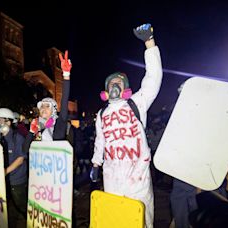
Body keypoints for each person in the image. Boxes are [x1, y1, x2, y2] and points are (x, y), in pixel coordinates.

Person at [90, 23, 162, 228]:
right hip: (112, 176)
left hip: (137, 175)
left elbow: (153, 78)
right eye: (111, 83)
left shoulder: (137, 102)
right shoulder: (102, 114)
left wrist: (149, 43)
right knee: (116, 218)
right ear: (106, 89)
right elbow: (100, 141)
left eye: (119, 83)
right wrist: (96, 164)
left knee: (141, 217)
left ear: (126, 88)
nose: (115, 85)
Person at [23, 50, 71, 145]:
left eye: (47, 106)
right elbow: (24, 150)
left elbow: (64, 99)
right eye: (42, 106)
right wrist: (31, 132)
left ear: (53, 110)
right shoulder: (37, 125)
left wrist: (66, 75)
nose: (43, 109)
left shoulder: (59, 123)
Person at [0, 108, 28, 225]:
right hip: (1, 179)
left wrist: (5, 171)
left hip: (16, 179)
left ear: (9, 122)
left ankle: (31, 220)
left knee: (21, 204)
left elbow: (20, 159)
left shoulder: (18, 138)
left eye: (1, 120)